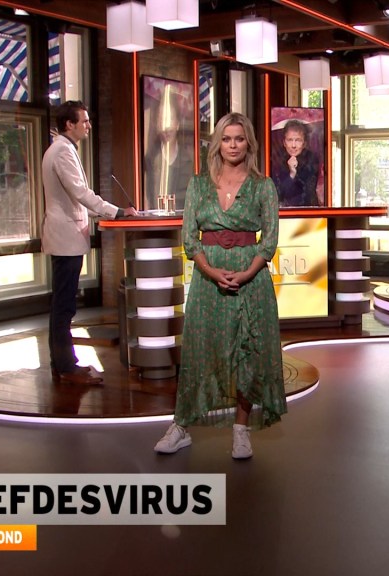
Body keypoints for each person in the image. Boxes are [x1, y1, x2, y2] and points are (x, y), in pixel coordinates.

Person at [154, 112, 286, 459]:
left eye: (239, 139)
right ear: (217, 144)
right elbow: (189, 238)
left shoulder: (263, 186)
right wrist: (211, 271)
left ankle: (241, 430)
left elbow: (269, 240)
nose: (232, 145)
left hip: (250, 280)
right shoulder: (199, 184)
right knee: (200, 350)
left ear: (248, 143)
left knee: (246, 353)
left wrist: (246, 273)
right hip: (207, 280)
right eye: (226, 139)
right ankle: (181, 425)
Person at [42, 100, 138, 386]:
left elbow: (76, 196)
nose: (89, 126)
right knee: (64, 306)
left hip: (66, 236)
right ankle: (66, 366)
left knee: (63, 304)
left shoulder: (63, 148)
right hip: (65, 237)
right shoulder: (62, 151)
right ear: (69, 124)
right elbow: (81, 192)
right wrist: (116, 211)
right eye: (84, 121)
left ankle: (62, 363)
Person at [144, 91, 193, 211]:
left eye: (170, 119)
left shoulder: (190, 161)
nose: (166, 127)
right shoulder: (149, 159)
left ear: (177, 123)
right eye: (162, 120)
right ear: (157, 124)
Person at [272, 119, 321, 207]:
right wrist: (291, 174)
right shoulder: (276, 161)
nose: (293, 145)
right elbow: (277, 195)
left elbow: (308, 192)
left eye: (298, 140)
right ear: (284, 142)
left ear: (304, 143)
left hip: (307, 211)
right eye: (290, 140)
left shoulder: (312, 160)